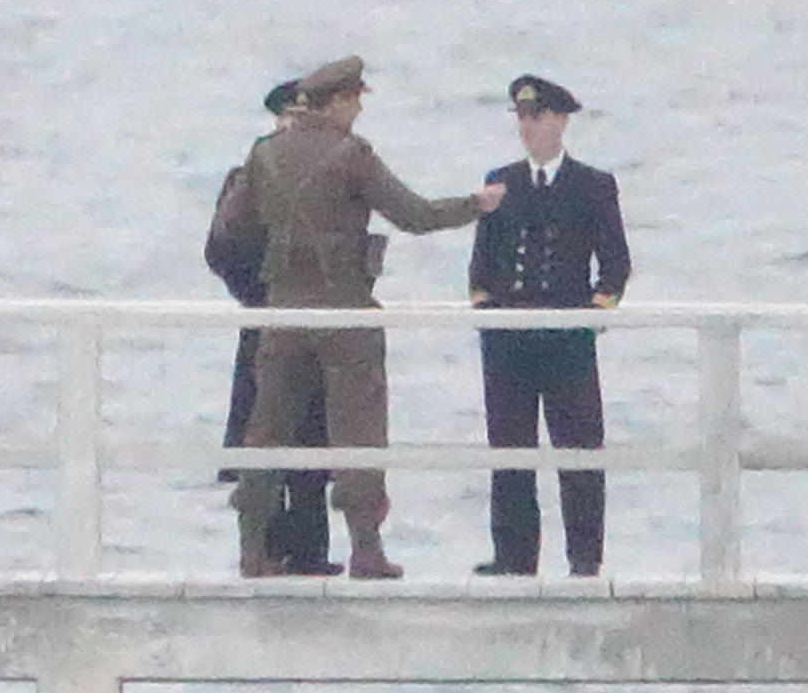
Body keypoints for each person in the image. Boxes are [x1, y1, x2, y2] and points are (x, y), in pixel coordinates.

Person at [210, 55, 505, 579]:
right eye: (356, 101)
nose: (359, 111)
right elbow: (414, 215)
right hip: (344, 313)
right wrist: (476, 205)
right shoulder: (351, 155)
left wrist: (267, 283)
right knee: (358, 431)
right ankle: (366, 550)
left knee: (267, 432)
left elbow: (230, 231)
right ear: (340, 102)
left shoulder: (264, 155)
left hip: (281, 313)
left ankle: (253, 550)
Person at [469, 75, 631, 577]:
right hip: (510, 343)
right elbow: (481, 268)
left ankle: (585, 559)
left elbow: (616, 263)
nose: (527, 126)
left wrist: (595, 312)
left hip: (567, 341)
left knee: (580, 451)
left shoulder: (593, 185)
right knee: (510, 452)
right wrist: (488, 315)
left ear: (560, 120)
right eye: (521, 117)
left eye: (536, 116)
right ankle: (514, 557)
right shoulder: (502, 181)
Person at [205, 79, 338, 576]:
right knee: (262, 436)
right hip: (266, 322)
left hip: (317, 323)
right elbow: (221, 249)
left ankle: (310, 551)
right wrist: (259, 296)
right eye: (288, 119)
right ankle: (260, 548)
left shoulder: (329, 172)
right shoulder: (248, 177)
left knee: (314, 435)